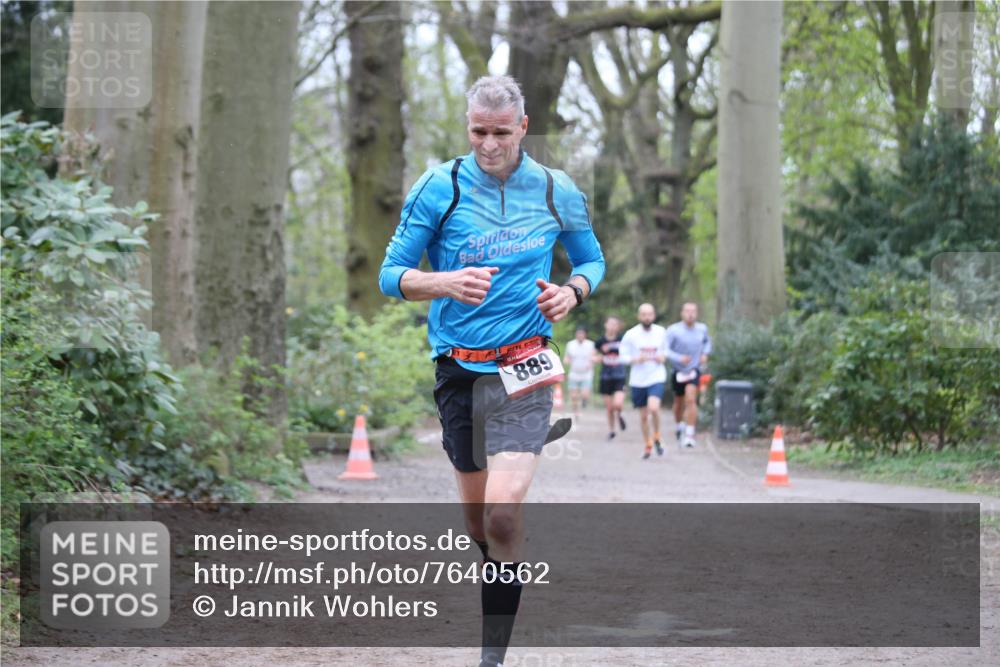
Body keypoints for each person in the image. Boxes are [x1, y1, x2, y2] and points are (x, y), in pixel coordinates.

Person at [378, 75, 605, 667]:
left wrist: (573, 292)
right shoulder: (439, 187)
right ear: (467, 126)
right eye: (478, 131)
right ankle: (499, 547)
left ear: (523, 128)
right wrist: (441, 282)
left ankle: (491, 658)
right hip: (459, 370)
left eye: (501, 133)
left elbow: (591, 259)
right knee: (479, 521)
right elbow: (390, 274)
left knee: (504, 516)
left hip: (525, 363)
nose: (488, 144)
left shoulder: (558, 190)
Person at [619, 303, 668, 459]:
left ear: (654, 315)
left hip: (656, 376)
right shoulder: (631, 334)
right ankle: (648, 443)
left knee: (654, 408)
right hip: (638, 380)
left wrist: (663, 357)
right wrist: (635, 359)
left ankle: (657, 435)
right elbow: (622, 356)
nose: (647, 317)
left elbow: (667, 350)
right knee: (644, 416)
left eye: (650, 314)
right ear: (639, 316)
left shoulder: (661, 332)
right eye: (644, 314)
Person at [665, 302, 712, 448]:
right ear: (682, 313)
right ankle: (679, 425)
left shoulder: (702, 329)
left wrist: (705, 353)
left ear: (697, 313)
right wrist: (679, 358)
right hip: (678, 371)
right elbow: (665, 350)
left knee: (691, 399)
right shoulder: (673, 330)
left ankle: (690, 434)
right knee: (679, 402)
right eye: (687, 311)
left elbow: (708, 343)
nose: (690, 314)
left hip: (694, 370)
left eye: (693, 311)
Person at [593, 316, 627, 440]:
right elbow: (593, 356)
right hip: (605, 376)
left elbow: (630, 352)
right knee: (609, 408)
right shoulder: (600, 341)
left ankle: (621, 414)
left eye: (615, 324)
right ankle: (612, 430)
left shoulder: (623, 339)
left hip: (619, 375)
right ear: (605, 325)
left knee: (617, 404)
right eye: (610, 324)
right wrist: (598, 358)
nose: (612, 326)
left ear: (618, 327)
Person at [563, 326, 595, 414]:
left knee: (585, 394)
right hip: (574, 372)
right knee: (573, 396)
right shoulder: (570, 344)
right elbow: (567, 357)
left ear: (585, 335)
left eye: (582, 334)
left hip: (586, 373)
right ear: (576, 335)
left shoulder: (590, 344)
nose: (580, 335)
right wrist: (566, 361)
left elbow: (594, 355)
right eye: (578, 334)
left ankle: (584, 400)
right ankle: (575, 412)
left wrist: (591, 362)